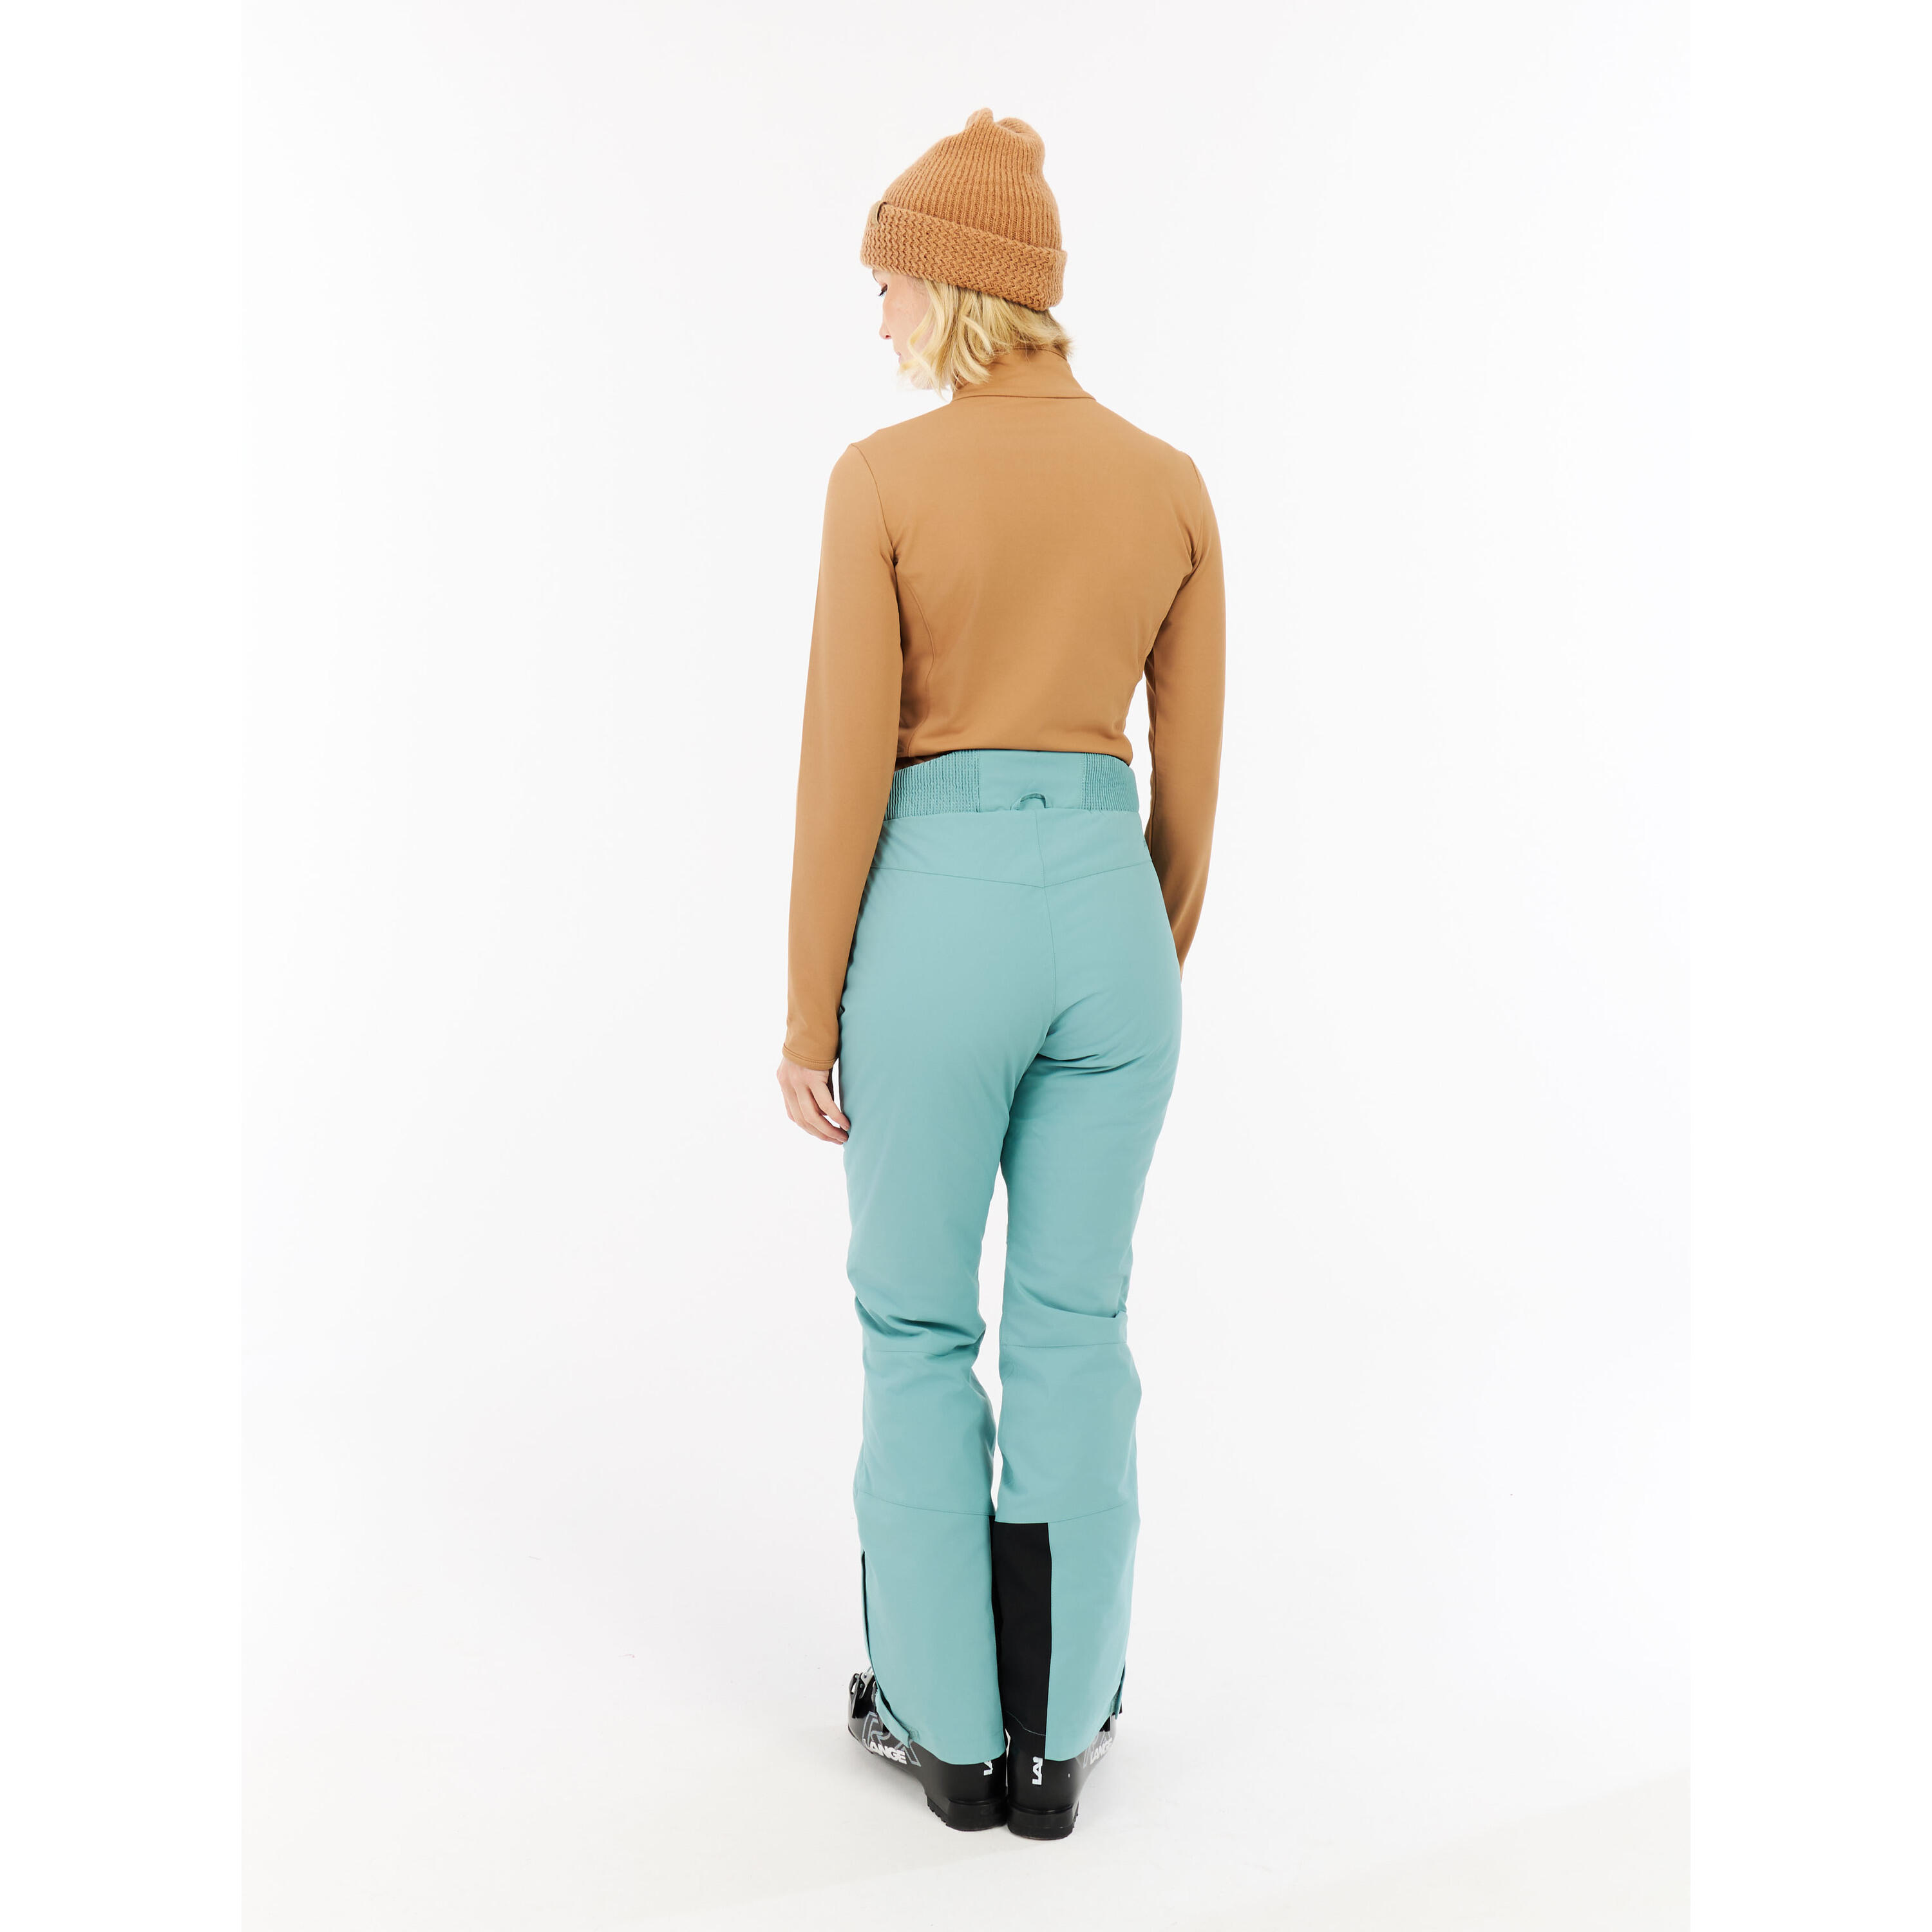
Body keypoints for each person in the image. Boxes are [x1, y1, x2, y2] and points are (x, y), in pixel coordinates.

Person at [775, 108, 1226, 1841]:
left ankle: (952, 1739)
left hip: (936, 918)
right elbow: (1193, 772)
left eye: (890, 280)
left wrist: (809, 1011)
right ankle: (1061, 1740)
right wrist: (1139, 949)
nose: (877, 311)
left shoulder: (883, 482)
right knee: (1074, 1328)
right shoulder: (1167, 483)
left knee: (915, 1324)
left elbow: (844, 768)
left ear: (958, 286)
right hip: (1111, 923)